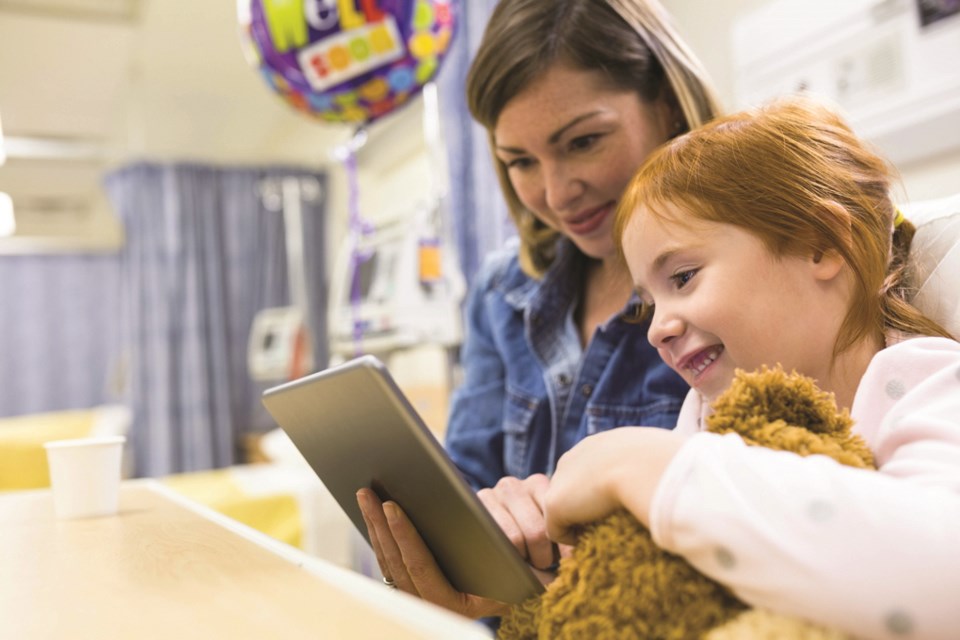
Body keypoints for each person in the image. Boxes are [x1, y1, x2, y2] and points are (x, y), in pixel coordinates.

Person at [356, 0, 722, 619]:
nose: (554, 195)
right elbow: (465, 484)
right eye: (520, 161)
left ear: (665, 102)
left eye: (582, 142)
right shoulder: (502, 291)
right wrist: (470, 540)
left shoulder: (740, 272)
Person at [544, 95, 960, 639]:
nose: (656, 328)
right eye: (649, 303)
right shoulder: (707, 413)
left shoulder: (925, 382)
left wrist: (643, 466)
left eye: (685, 276)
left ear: (820, 244)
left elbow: (940, 576)